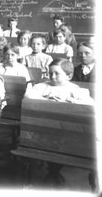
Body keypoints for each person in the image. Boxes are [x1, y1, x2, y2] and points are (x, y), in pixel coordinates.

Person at [25, 58, 94, 186]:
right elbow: (28, 97)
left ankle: (54, 172)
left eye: (57, 73)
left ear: (69, 76)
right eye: (50, 73)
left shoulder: (74, 89)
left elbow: (89, 104)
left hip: (66, 131)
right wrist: (46, 99)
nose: (53, 76)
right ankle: (53, 172)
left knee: (61, 140)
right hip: (43, 127)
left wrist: (67, 102)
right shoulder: (41, 86)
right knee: (46, 138)